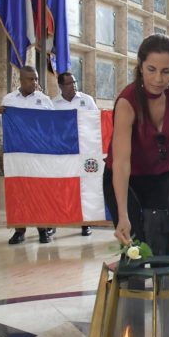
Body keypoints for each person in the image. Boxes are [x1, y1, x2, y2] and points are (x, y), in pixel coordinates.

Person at [104, 34, 169, 252]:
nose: (158, 79)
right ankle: (132, 286)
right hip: (126, 180)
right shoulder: (127, 102)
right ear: (140, 66)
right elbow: (122, 163)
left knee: (163, 245)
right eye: (151, 69)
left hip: (160, 176)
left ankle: (165, 286)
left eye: (166, 71)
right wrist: (122, 215)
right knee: (135, 249)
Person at [0, 65, 55, 245]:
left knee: (39, 191)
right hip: (17, 154)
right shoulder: (9, 100)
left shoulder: (44, 100)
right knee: (18, 191)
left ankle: (43, 229)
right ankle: (20, 230)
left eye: (36, 79)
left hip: (39, 154)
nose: (34, 82)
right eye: (30, 79)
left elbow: (52, 125)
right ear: (21, 80)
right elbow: (3, 127)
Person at [52, 70, 98, 237]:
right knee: (61, 187)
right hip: (63, 152)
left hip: (84, 150)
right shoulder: (53, 104)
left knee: (84, 187)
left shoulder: (87, 100)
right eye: (69, 83)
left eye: (74, 82)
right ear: (61, 86)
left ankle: (85, 223)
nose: (74, 86)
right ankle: (54, 223)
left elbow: (96, 122)